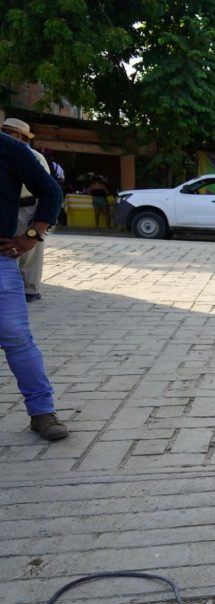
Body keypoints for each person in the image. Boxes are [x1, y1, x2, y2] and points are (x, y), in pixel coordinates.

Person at [0, 128, 69, 441]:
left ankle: (42, 412)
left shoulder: (10, 149)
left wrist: (31, 236)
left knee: (15, 335)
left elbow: (51, 191)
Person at [1, 118, 52, 303]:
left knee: (30, 252)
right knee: (8, 249)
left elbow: (48, 191)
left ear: (18, 136)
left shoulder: (34, 157)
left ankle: (30, 289)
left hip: (28, 207)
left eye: (10, 133)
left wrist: (39, 224)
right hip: (8, 207)